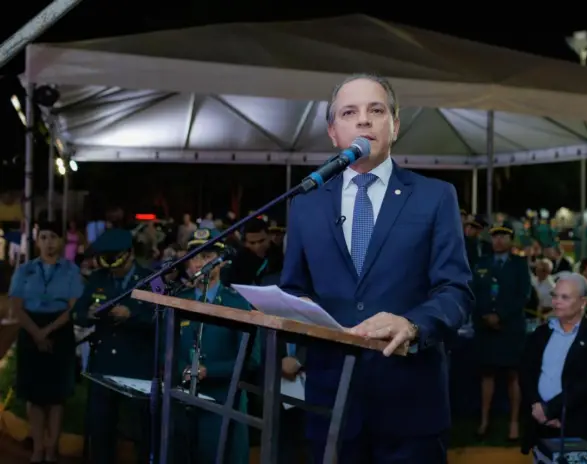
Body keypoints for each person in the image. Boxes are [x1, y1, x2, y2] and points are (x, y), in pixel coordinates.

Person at [280, 73, 473, 463]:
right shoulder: (305, 204)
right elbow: (294, 289)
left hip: (411, 403)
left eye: (376, 110)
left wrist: (413, 325)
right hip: (331, 403)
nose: (364, 120)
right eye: (349, 113)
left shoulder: (435, 197)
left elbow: (456, 291)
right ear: (333, 133)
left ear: (395, 126)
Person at [174, 228, 260, 464]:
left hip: (224, 402)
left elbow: (252, 360)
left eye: (207, 256)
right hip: (182, 401)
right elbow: (165, 350)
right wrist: (182, 368)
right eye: (194, 256)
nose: (199, 262)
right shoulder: (177, 300)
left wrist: (209, 371)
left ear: (221, 262)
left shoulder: (237, 304)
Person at [73, 228, 155, 464]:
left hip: (137, 368)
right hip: (103, 366)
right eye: (105, 258)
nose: (111, 265)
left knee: (141, 433)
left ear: (130, 254)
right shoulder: (98, 278)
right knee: (100, 431)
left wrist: (132, 316)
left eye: (115, 257)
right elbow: (77, 313)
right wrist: (89, 314)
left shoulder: (154, 278)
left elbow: (164, 317)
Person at [9, 222, 84, 463]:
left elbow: (73, 306)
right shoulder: (25, 270)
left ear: (61, 241)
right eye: (43, 237)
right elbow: (16, 307)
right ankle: (38, 448)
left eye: (53, 237)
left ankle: (51, 449)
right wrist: (36, 333)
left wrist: (47, 331)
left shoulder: (71, 270)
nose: (48, 242)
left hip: (60, 331)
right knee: (34, 395)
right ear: (37, 241)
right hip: (30, 330)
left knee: (56, 395)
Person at [519, 273, 587, 461]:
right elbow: (526, 372)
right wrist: (537, 406)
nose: (557, 302)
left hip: (575, 427)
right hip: (539, 425)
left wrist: (551, 410)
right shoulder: (540, 334)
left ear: (583, 302)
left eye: (565, 297)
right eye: (555, 296)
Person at [472, 221, 531, 441]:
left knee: (513, 375)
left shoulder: (519, 264)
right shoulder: (481, 263)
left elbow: (523, 295)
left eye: (503, 236)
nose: (498, 240)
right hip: (486, 328)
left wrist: (501, 316)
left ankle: (513, 423)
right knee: (487, 375)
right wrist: (485, 315)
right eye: (495, 236)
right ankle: (484, 421)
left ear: (511, 240)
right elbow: (473, 292)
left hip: (511, 328)